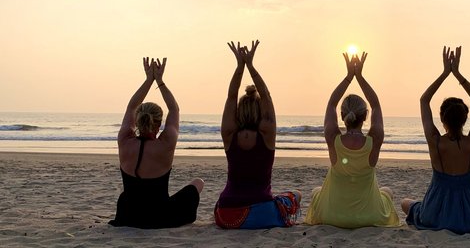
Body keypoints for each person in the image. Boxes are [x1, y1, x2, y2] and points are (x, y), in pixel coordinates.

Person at [305, 51, 401, 228]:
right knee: (387, 191)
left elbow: (331, 104)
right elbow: (376, 105)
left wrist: (349, 77)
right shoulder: (374, 140)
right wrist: (360, 77)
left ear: (342, 116)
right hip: (368, 217)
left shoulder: (334, 139)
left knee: (315, 191)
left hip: (332, 216)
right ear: (365, 116)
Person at [401, 46, 470, 234]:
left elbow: (424, 100)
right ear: (466, 118)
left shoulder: (435, 141)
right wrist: (458, 74)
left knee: (405, 203)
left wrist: (445, 73)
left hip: (435, 212)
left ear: (442, 119)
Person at [214, 40, 301, 229]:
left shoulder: (229, 134)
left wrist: (239, 66)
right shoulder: (267, 133)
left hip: (227, 215)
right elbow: (267, 95)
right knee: (295, 195)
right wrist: (251, 66)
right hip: (261, 213)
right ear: (259, 111)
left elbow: (231, 96)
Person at [110, 57, 203, 229]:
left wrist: (148, 80)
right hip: (159, 217)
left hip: (127, 215)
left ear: (137, 121)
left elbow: (131, 106)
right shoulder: (165, 144)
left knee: (125, 195)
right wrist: (159, 81)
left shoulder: (124, 139)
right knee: (198, 183)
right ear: (159, 124)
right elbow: (174, 108)